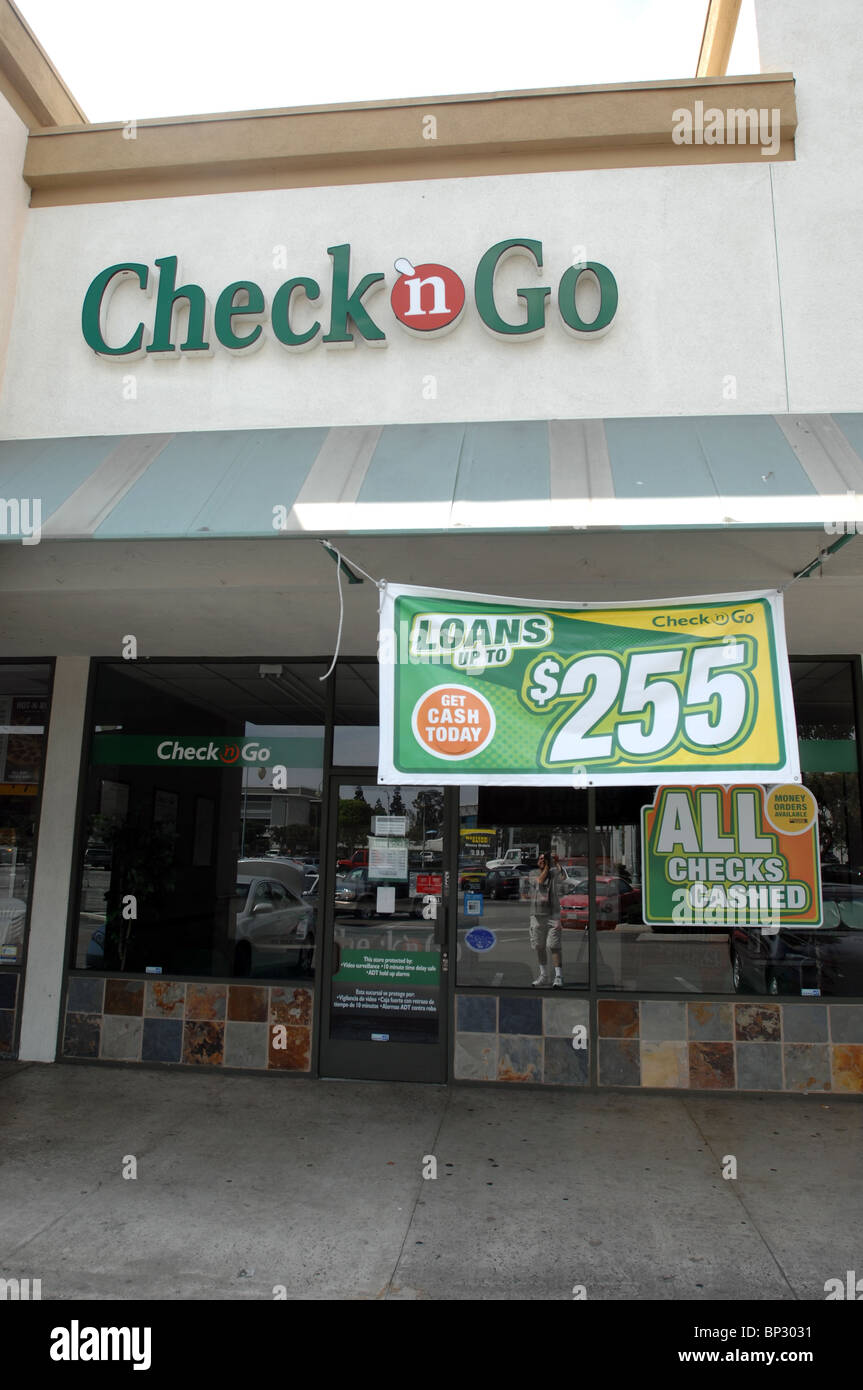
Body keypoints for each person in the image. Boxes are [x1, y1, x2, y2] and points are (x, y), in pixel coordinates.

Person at [529, 851, 566, 988]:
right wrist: (547, 866)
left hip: (553, 915)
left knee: (554, 945)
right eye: (540, 859)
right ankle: (543, 975)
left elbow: (563, 877)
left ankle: (558, 976)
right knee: (539, 946)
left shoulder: (553, 872)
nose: (542, 861)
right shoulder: (533, 873)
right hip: (537, 916)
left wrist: (556, 862)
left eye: (545, 859)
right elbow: (540, 881)